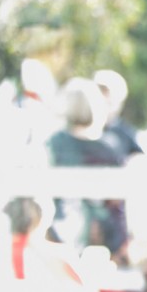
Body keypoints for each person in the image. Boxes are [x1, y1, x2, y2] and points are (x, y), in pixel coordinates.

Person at [47, 76, 130, 263]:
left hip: (57, 234)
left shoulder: (54, 145)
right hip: (101, 244)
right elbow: (117, 206)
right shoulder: (109, 149)